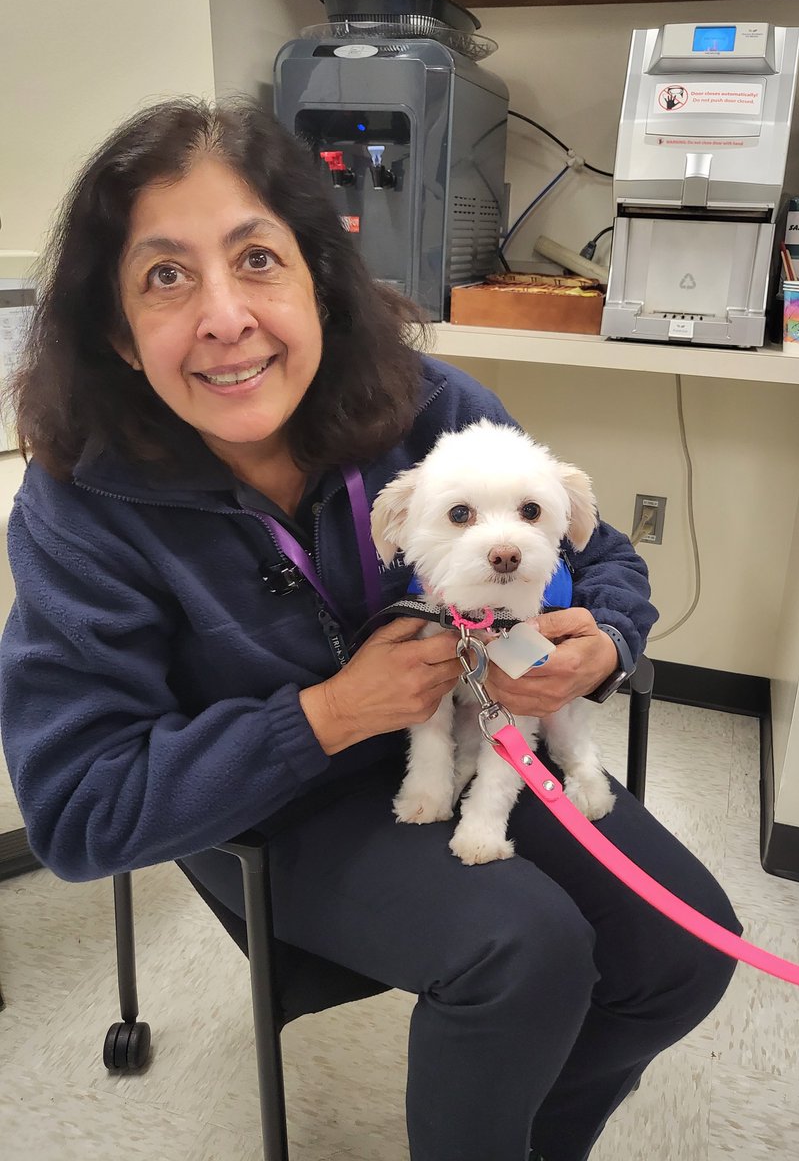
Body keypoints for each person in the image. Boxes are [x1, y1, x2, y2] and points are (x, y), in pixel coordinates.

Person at [0, 98, 741, 1161]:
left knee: (686, 947)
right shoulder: (81, 506)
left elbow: (598, 552)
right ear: (117, 332)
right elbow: (79, 812)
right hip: (277, 799)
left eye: (258, 259)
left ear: (318, 279)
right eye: (165, 276)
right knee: (524, 953)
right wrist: (329, 713)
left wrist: (605, 640)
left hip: (480, 735)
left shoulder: (424, 404)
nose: (224, 317)